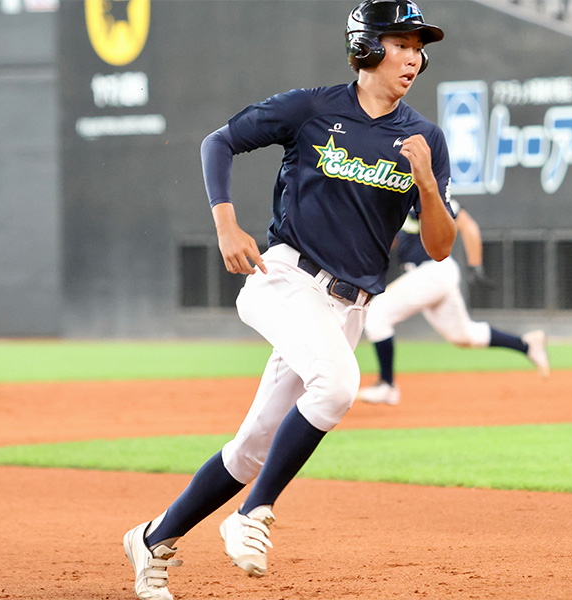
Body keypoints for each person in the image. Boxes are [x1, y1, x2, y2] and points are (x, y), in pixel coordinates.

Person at [122, 1, 455, 598]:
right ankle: (253, 514)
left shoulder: (425, 138)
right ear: (368, 48)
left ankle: (152, 539)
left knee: (251, 447)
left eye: (418, 45)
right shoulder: (313, 108)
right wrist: (225, 221)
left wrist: (428, 185)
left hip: (347, 308)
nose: (414, 56)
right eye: (401, 43)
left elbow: (437, 247)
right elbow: (218, 143)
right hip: (285, 279)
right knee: (339, 385)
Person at [355, 201, 550, 407]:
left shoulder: (432, 195)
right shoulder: (401, 199)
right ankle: (527, 345)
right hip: (427, 275)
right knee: (463, 335)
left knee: (376, 313)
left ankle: (387, 386)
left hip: (433, 271)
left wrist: (475, 265)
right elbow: (393, 239)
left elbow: (468, 226)